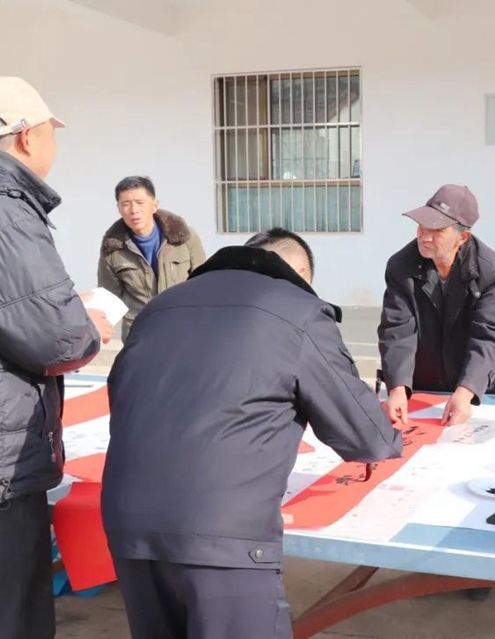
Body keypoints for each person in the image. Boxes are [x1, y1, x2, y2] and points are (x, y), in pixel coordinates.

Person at [102, 228, 402, 639]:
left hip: (129, 524)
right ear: (299, 273)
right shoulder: (298, 310)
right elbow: (367, 437)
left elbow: (123, 396)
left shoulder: (160, 307)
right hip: (223, 532)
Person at [0, 76, 111, 639]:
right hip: (4, 461)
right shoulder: (9, 209)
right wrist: (87, 323)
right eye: (50, 132)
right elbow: (54, 339)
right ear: (26, 137)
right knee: (15, 609)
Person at [379, 184, 495, 426]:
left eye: (437, 231)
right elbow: (397, 330)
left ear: (462, 237)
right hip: (426, 384)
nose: (424, 237)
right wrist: (397, 387)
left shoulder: (491, 271)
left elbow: (489, 335)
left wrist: (466, 390)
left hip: (479, 385)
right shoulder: (401, 266)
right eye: (422, 227)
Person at [98, 175, 206, 340]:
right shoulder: (113, 248)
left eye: (140, 202)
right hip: (140, 332)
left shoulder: (185, 237)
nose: (134, 210)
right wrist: (100, 330)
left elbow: (203, 283)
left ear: (154, 205)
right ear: (118, 208)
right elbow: (108, 296)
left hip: (184, 328)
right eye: (126, 204)